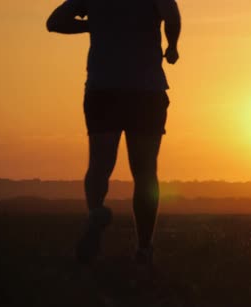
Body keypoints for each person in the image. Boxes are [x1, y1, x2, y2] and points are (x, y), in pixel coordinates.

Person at [46, 0, 181, 265]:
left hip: (103, 89)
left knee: (99, 164)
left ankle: (96, 211)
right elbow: (172, 16)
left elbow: (55, 22)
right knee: (145, 172)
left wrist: (92, 24)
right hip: (146, 91)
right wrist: (172, 46)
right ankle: (144, 248)